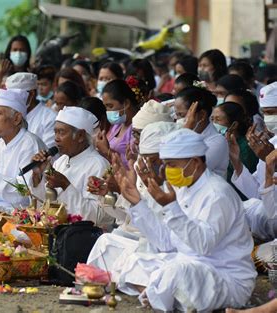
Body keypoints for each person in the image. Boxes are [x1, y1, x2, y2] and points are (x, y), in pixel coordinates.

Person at [114, 128, 256, 312]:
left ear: (195, 162)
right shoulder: (182, 188)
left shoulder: (217, 194)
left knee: (176, 272)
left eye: (172, 164)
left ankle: (159, 294)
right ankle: (161, 295)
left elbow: (203, 246)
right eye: (166, 164)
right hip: (186, 264)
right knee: (133, 259)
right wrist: (137, 204)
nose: (166, 170)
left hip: (225, 278)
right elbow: (166, 242)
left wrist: (171, 207)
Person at [87, 122, 180, 274]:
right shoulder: (140, 168)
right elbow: (128, 217)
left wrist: (133, 199)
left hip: (165, 250)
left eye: (154, 161)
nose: (148, 165)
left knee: (133, 260)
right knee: (105, 243)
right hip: (141, 239)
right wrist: (112, 194)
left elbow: (165, 240)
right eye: (145, 159)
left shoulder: (178, 184)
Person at [30, 106, 110, 224]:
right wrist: (37, 177)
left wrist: (65, 185)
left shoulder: (99, 165)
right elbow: (45, 206)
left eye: (61, 132)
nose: (56, 139)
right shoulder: (60, 162)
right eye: (55, 132)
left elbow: (97, 217)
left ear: (80, 136)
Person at [230, 82, 277, 199]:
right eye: (264, 113)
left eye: (271, 112)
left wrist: (272, 163)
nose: (267, 118)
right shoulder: (272, 142)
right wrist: (236, 161)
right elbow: (257, 193)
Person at [174, 86, 230, 177]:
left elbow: (188, 172)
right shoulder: (184, 133)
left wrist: (186, 131)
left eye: (182, 115)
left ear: (202, 115)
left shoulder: (217, 141)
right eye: (176, 115)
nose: (178, 120)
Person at [211, 101, 258, 189]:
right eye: (212, 119)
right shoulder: (219, 143)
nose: (213, 124)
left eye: (218, 119)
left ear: (234, 125)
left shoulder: (246, 147)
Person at [94, 79, 139, 166]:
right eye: (106, 107)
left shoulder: (137, 128)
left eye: (110, 106)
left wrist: (107, 151)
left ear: (126, 103)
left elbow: (134, 165)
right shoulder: (117, 125)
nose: (108, 111)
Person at [6, 72, 56, 148]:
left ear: (31, 94)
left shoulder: (50, 118)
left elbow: (48, 153)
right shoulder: (8, 116)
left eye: (17, 95)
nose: (13, 99)